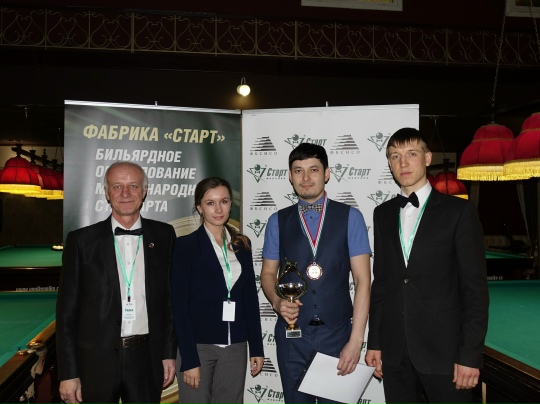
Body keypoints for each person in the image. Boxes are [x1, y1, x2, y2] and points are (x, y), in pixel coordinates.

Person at [365, 128, 489, 404]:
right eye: (394, 156)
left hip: (446, 354)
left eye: (411, 154)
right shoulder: (382, 213)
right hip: (395, 353)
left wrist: (470, 355)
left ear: (428, 157)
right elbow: (381, 283)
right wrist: (375, 342)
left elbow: (474, 291)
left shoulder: (459, 212)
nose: (403, 162)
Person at [56, 161, 176, 404]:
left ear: (144, 191)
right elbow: (67, 313)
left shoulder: (165, 235)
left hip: (146, 358)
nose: (125, 193)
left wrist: (168, 353)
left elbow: (170, 301)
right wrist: (68, 373)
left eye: (133, 186)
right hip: (94, 361)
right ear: (107, 193)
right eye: (117, 186)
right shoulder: (81, 241)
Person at [260, 143, 372, 404]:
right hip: (292, 337)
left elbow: (363, 282)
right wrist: (276, 301)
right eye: (298, 170)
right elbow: (267, 274)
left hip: (337, 336)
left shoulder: (351, 217)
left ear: (327, 173)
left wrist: (356, 341)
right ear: (290, 176)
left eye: (313, 169)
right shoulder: (277, 221)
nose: (306, 177)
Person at [171, 177, 264, 404]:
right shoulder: (185, 246)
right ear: (199, 207)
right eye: (210, 203)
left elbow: (250, 299)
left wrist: (257, 348)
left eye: (223, 201)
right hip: (198, 347)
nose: (218, 209)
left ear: (231, 204)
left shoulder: (242, 245)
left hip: (235, 347)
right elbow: (179, 306)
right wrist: (189, 359)